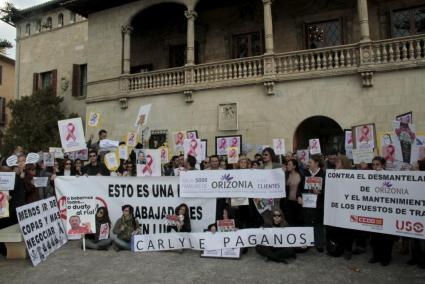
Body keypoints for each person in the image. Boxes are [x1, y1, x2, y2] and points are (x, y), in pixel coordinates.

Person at [369, 156, 397, 266]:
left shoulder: (389, 176)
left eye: (377, 165)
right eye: (373, 165)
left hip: (386, 212)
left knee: (386, 237)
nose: (375, 167)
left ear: (383, 165)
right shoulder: (369, 176)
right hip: (374, 210)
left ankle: (386, 258)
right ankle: (376, 256)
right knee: (375, 235)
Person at [326, 155, 354, 259]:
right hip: (335, 206)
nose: (335, 164)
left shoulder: (351, 175)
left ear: (344, 164)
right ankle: (337, 248)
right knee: (336, 229)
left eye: (338, 162)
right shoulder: (332, 174)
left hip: (346, 207)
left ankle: (348, 250)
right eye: (336, 162)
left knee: (347, 230)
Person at [300, 154, 326, 252]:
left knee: (318, 223)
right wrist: (299, 196)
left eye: (310, 162)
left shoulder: (323, 174)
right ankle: (308, 242)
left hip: (319, 204)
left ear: (316, 163)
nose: (308, 164)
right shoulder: (305, 173)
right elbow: (300, 188)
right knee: (307, 221)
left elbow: (328, 189)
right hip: (307, 203)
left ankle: (319, 243)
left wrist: (320, 192)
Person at [406, 159, 425, 268]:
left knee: (422, 240)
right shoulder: (412, 178)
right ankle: (414, 258)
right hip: (412, 214)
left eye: (416, 165)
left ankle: (422, 260)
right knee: (413, 238)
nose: (413, 166)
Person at [284, 159, 303, 226]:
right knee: (289, 221)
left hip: (298, 203)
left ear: (294, 166)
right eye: (287, 164)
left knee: (298, 221)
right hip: (289, 202)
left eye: (289, 164)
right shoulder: (286, 175)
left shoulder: (301, 175)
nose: (287, 166)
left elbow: (302, 188)